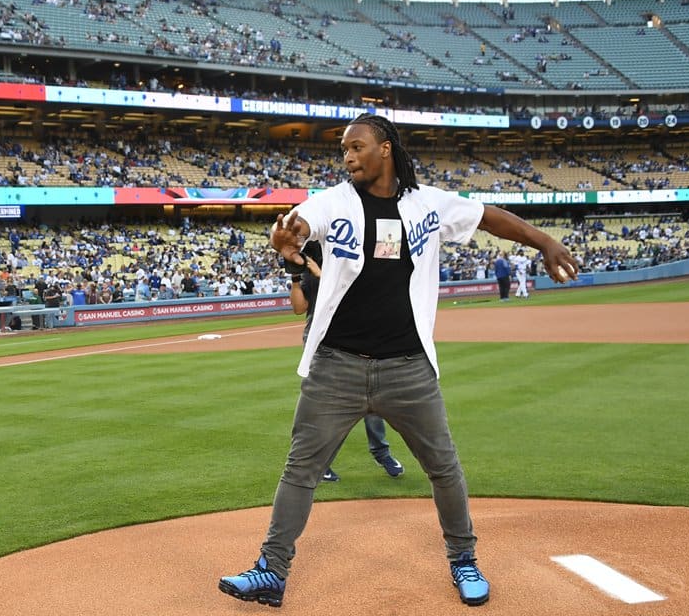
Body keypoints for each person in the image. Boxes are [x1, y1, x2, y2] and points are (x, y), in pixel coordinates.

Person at [218, 113, 578, 609]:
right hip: (336, 366)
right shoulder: (333, 202)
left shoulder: (427, 203)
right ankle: (270, 571)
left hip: (408, 368)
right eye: (343, 149)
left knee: (443, 468)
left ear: (385, 148)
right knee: (300, 470)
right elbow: (300, 226)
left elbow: (487, 216)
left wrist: (545, 242)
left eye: (357, 147)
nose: (348, 156)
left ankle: (464, 561)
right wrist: (288, 245)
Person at [289, 240, 404, 483]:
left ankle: (381, 453)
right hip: (323, 343)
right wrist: (296, 278)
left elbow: (350, 291)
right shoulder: (312, 276)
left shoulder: (350, 270)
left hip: (360, 338)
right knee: (331, 407)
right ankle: (323, 464)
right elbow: (300, 308)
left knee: (374, 402)